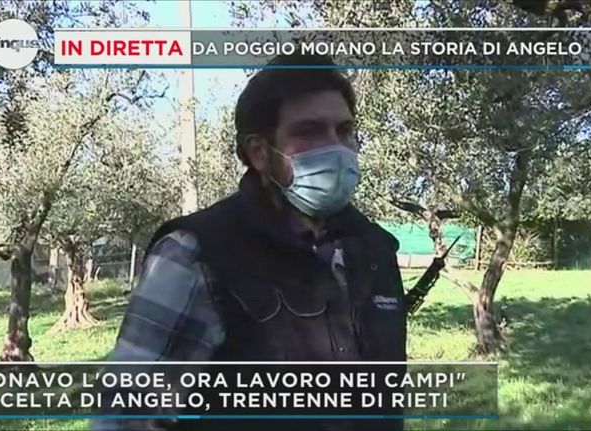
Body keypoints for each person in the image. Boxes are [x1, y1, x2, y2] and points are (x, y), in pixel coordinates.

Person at [92, 53, 407, 431]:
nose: (336, 147)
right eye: (308, 131)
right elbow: (125, 416)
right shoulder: (195, 253)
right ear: (259, 152)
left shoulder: (375, 250)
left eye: (344, 130)